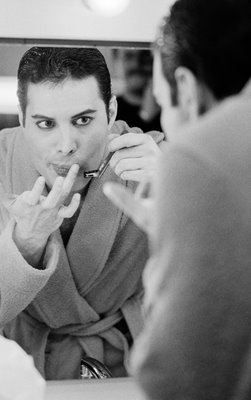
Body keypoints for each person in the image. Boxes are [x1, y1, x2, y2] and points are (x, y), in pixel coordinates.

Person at [103, 0, 251, 398]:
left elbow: (170, 375)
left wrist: (165, 255)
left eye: (164, 103)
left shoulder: (196, 157)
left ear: (185, 87)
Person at [0, 46, 164, 380]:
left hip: (127, 367)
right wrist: (26, 241)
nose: (67, 144)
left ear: (111, 111)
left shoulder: (157, 161)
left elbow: (219, 287)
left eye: (83, 120)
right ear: (22, 116)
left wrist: (176, 194)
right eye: (45, 124)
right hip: (20, 369)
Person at [115, 49, 162, 132]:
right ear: (117, 62)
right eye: (128, 56)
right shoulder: (110, 110)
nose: (135, 64)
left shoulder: (168, 110)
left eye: (145, 57)